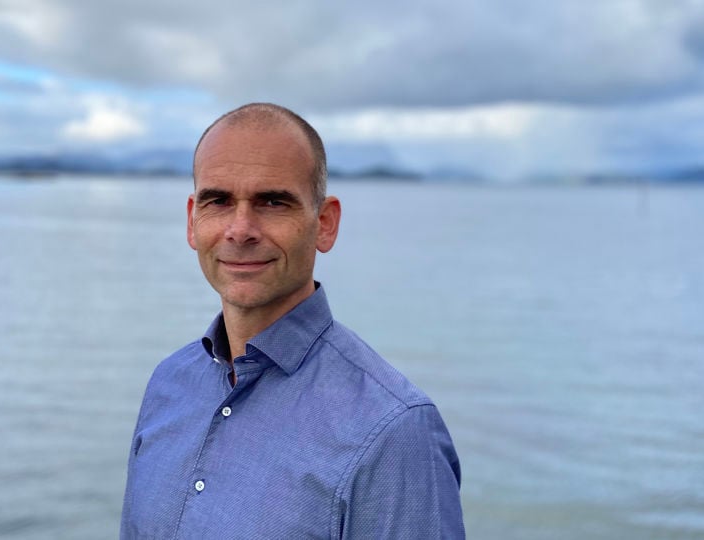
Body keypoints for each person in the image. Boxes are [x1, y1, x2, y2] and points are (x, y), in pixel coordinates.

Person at [120, 103, 464, 539]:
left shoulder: (394, 431)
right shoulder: (169, 383)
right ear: (192, 221)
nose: (240, 229)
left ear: (325, 224)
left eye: (272, 202)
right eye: (218, 201)